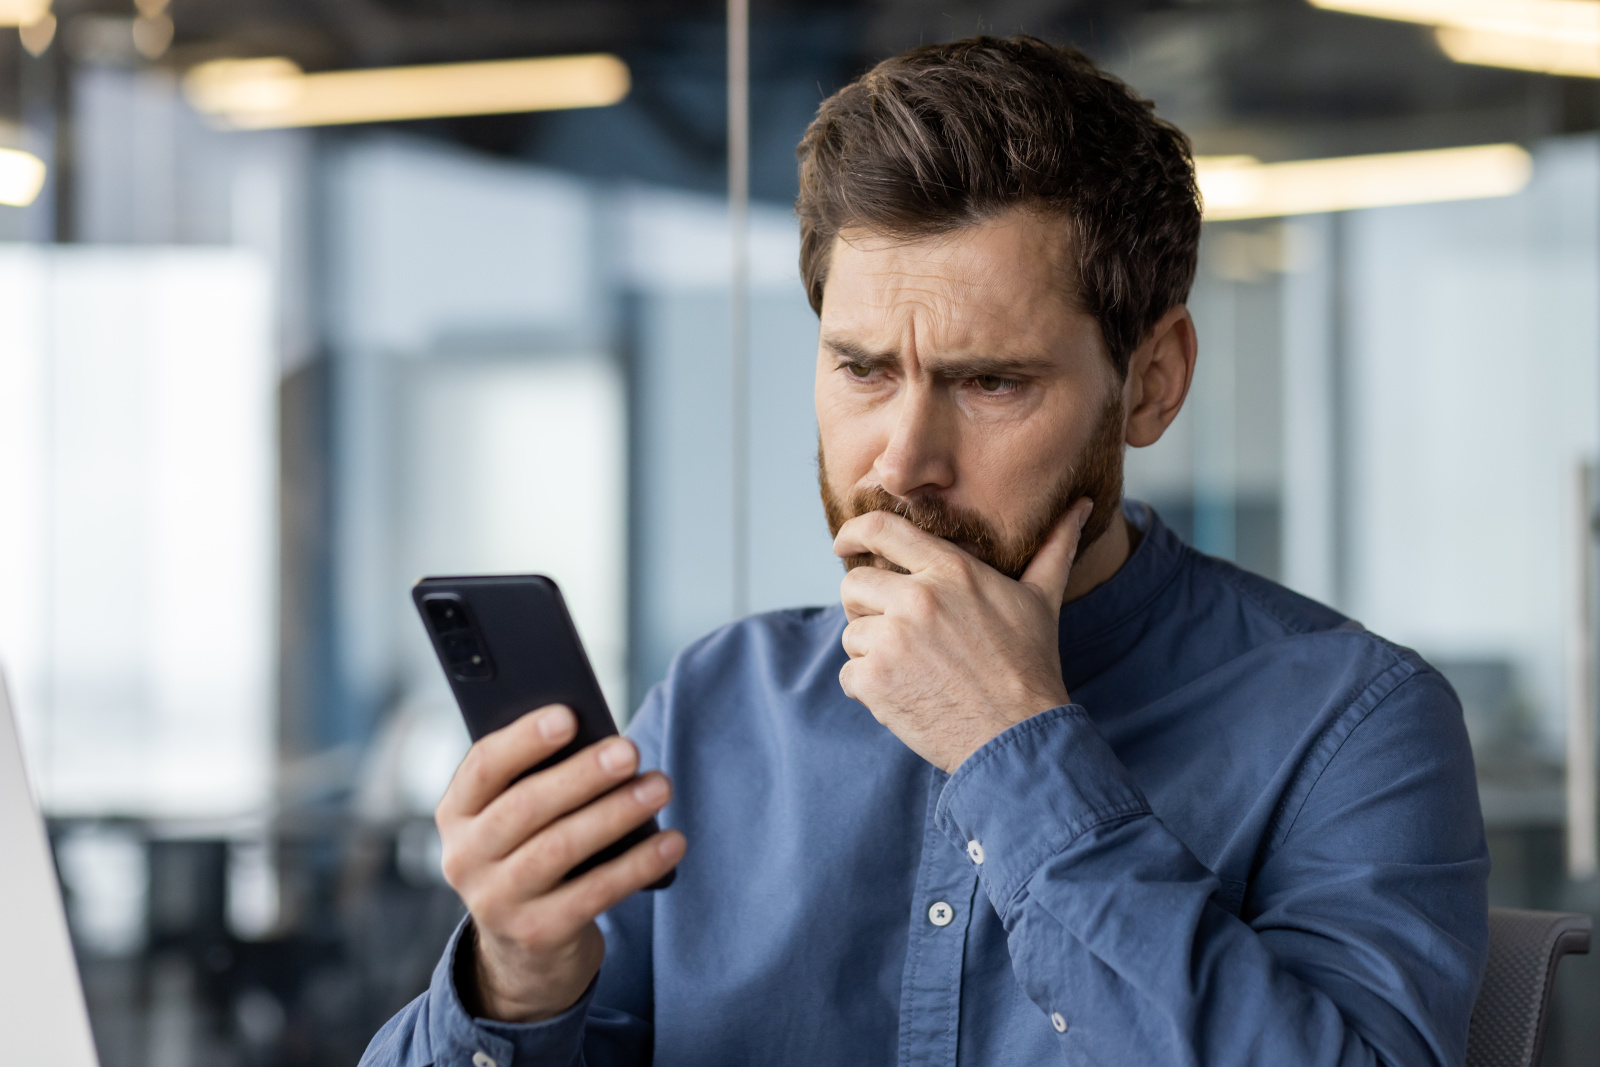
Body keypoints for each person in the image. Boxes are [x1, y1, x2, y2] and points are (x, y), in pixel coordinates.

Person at [361, 35, 1488, 1067]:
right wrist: (516, 979)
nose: (902, 460)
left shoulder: (1354, 724)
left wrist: (1016, 748)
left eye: (990, 380)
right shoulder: (721, 704)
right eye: (862, 369)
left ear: (1151, 380)